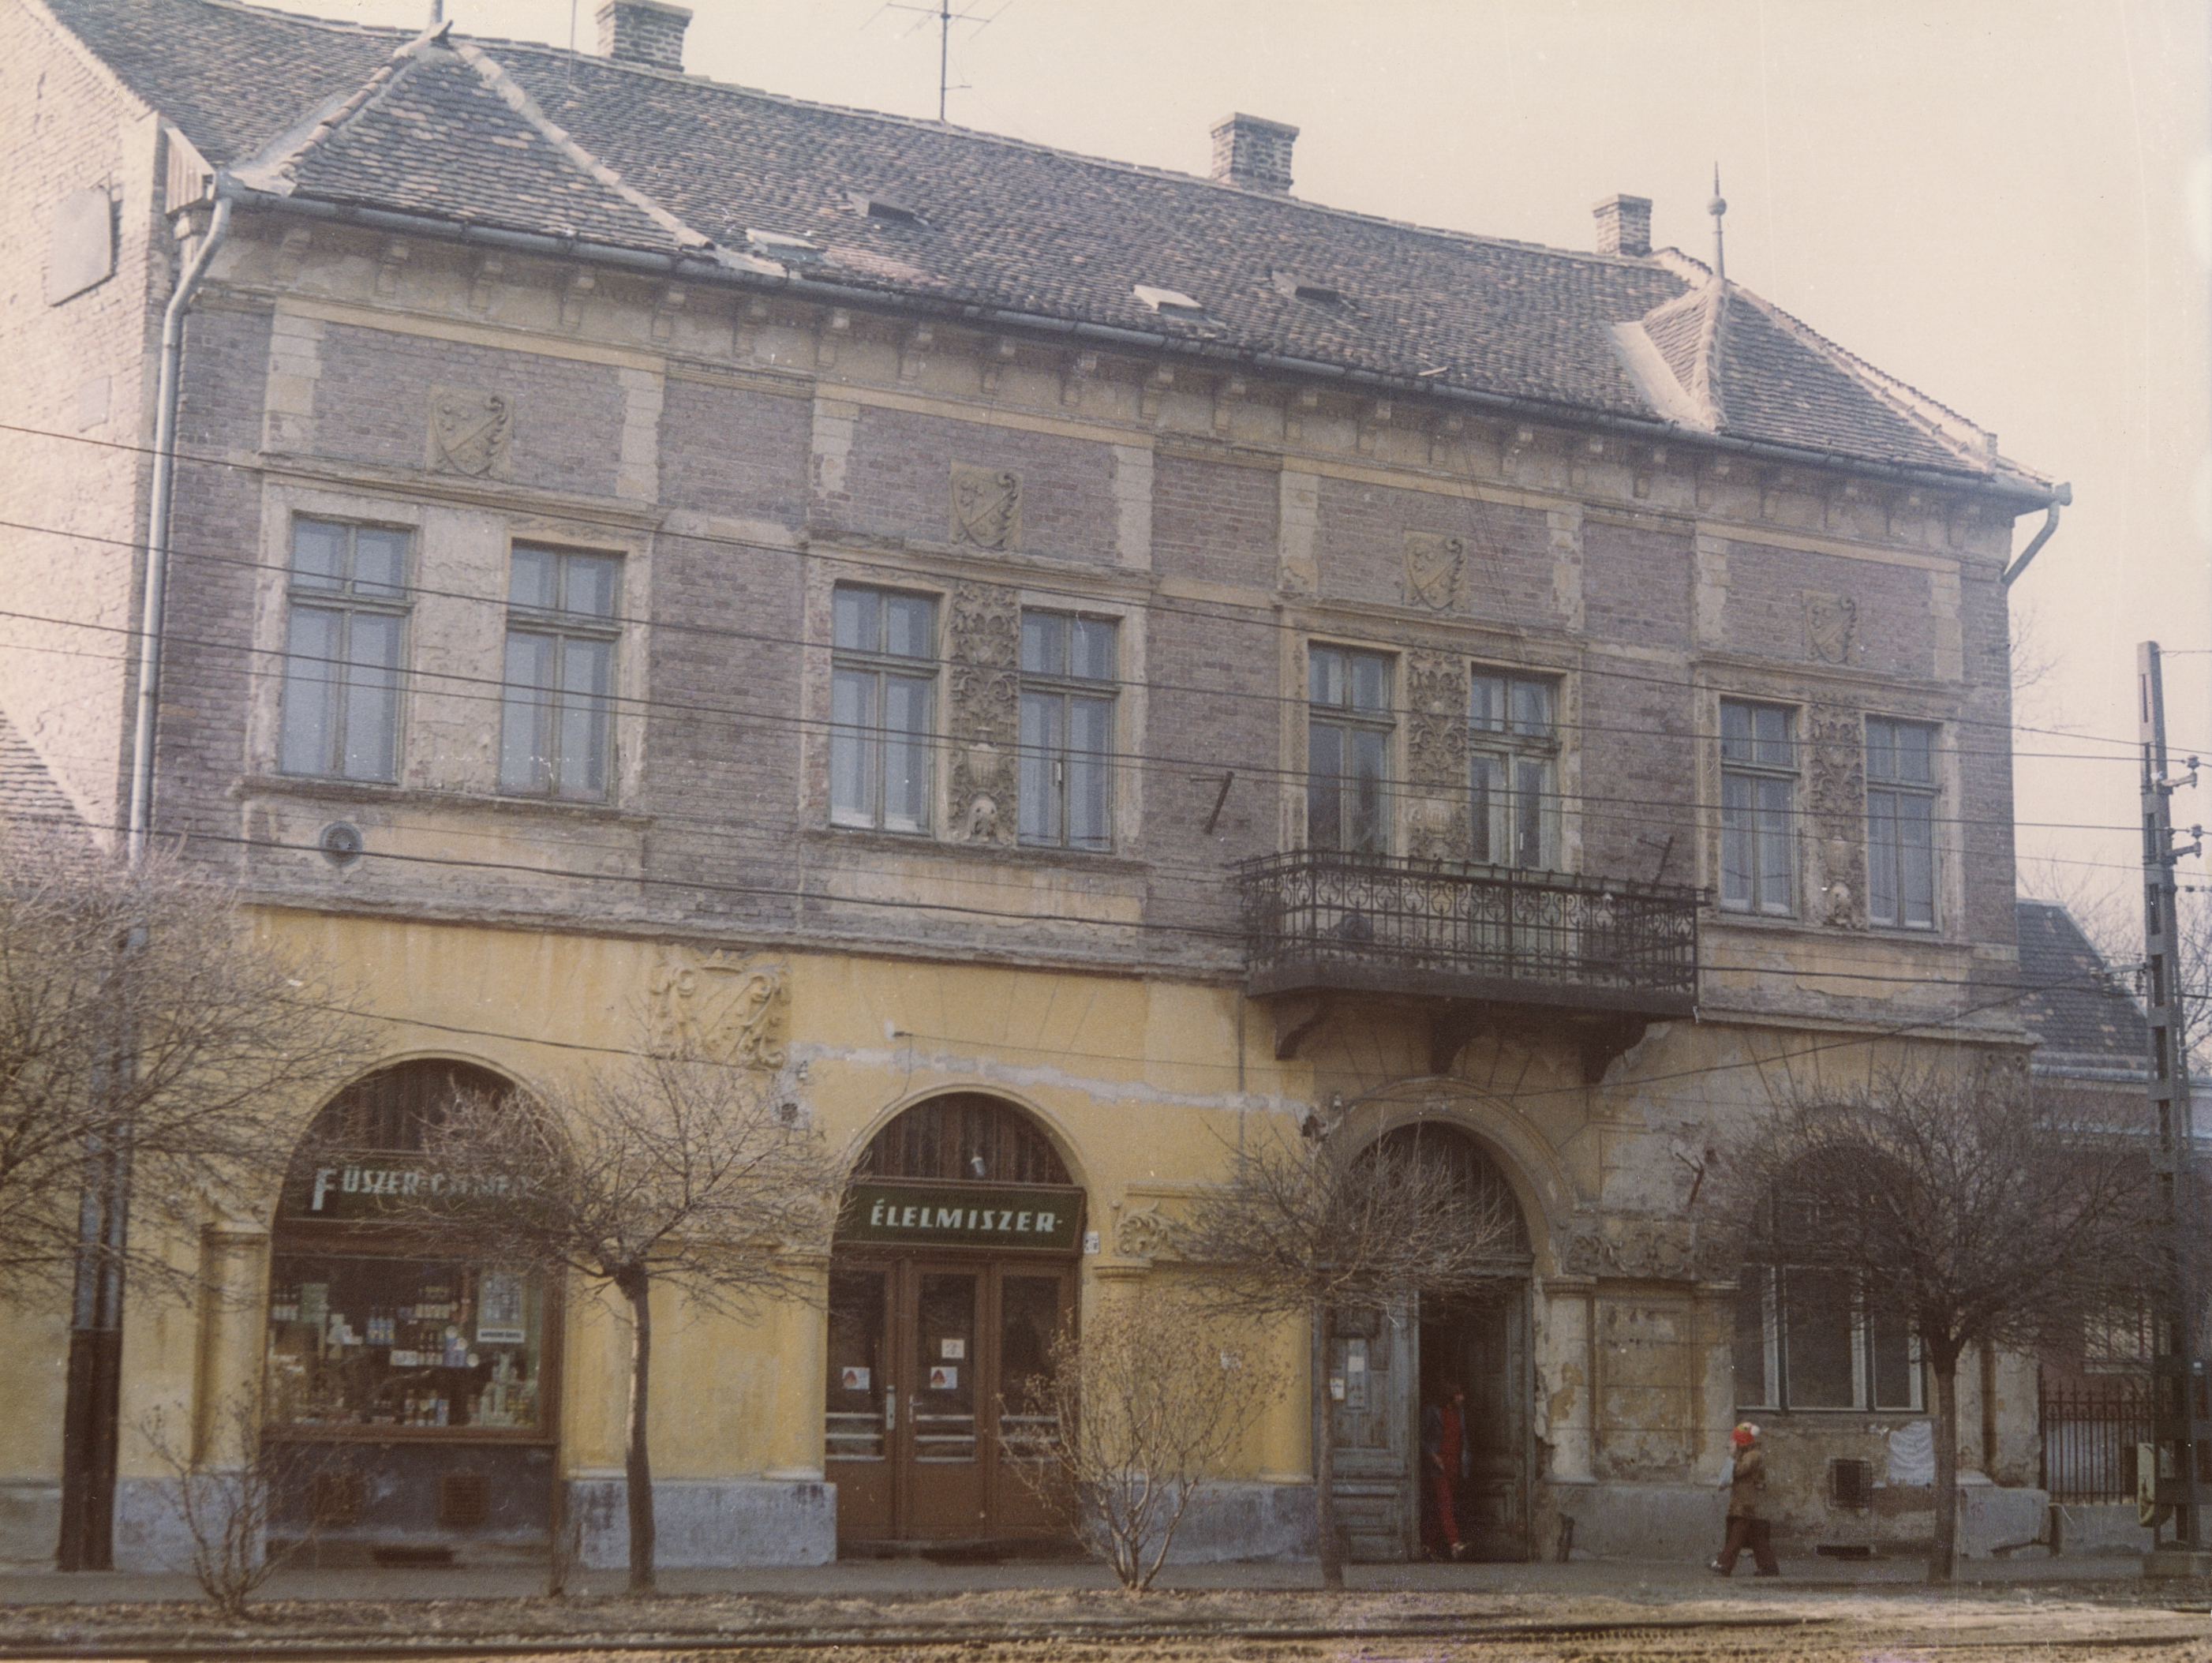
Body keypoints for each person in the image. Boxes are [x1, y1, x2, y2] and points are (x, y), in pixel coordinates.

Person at [1711, 1420, 1780, 1576]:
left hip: (1746, 1503)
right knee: (1756, 1536)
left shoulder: (1753, 1456)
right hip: (1745, 1501)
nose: (1731, 1443)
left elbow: (1739, 1471)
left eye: (1734, 1440)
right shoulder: (1747, 1455)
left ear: (1741, 1441)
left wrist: (1733, 1455)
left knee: (1736, 1536)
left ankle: (1724, 1564)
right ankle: (1769, 1566)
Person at [1420, 1380, 1470, 1560]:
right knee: (1445, 1502)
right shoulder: (1433, 1413)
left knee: (1438, 1507)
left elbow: (1462, 1440)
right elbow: (1420, 1438)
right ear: (1449, 1396)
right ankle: (1454, 1543)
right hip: (1438, 1466)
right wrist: (1433, 1456)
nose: (1462, 1398)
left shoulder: (1460, 1414)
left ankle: (1427, 1546)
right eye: (1458, 1394)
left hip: (1454, 1465)